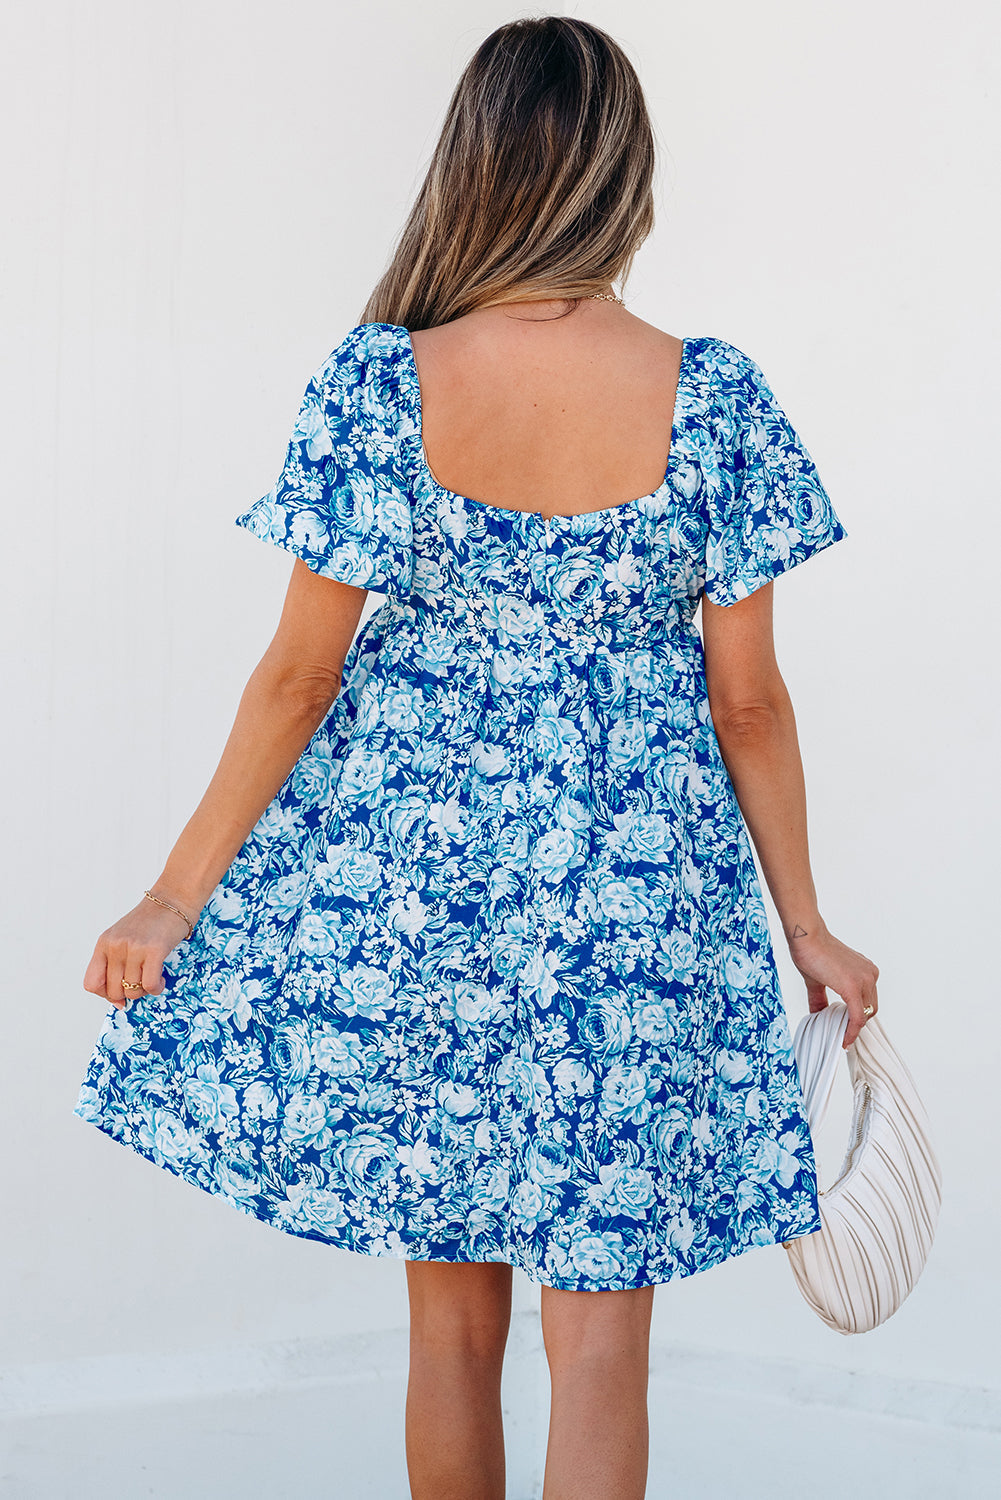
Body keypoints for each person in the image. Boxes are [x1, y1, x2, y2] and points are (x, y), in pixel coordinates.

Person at [74, 15, 880, 1500]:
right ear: (627, 177)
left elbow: (298, 675)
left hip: (421, 903)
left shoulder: (381, 384)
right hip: (636, 913)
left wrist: (173, 898)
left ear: (471, 166)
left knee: (449, 1335)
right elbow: (750, 704)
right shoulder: (715, 394)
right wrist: (807, 926)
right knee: (602, 1349)